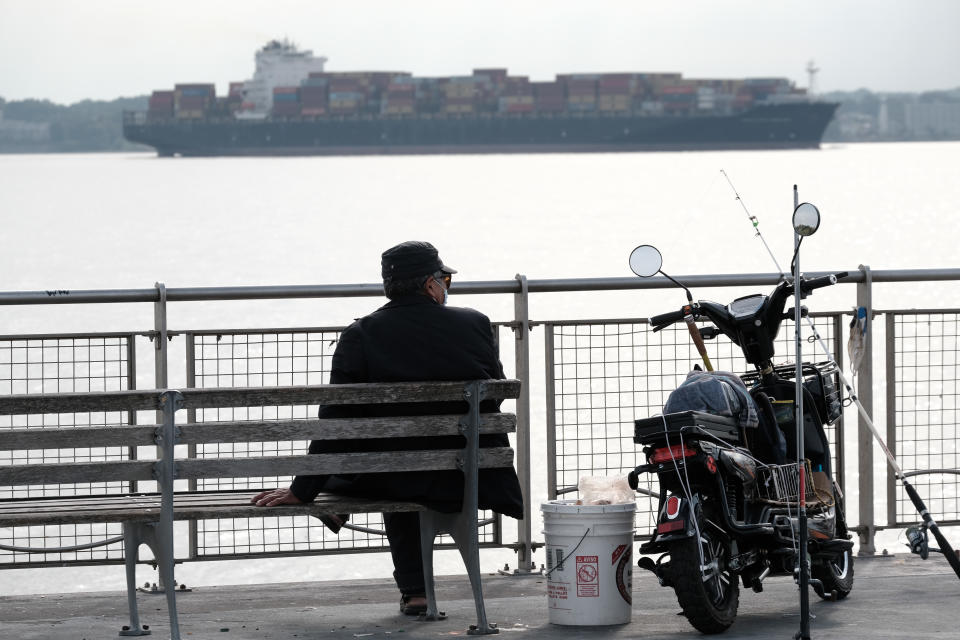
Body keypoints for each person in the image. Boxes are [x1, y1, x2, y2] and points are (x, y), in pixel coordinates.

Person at [251, 240, 524, 615]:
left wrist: (303, 490)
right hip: (474, 474)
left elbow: (336, 422)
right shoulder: (474, 323)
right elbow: (496, 395)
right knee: (402, 462)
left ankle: (415, 592)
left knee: (391, 462)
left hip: (396, 476)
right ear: (430, 284)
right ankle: (414, 588)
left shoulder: (362, 334)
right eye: (446, 279)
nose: (447, 286)